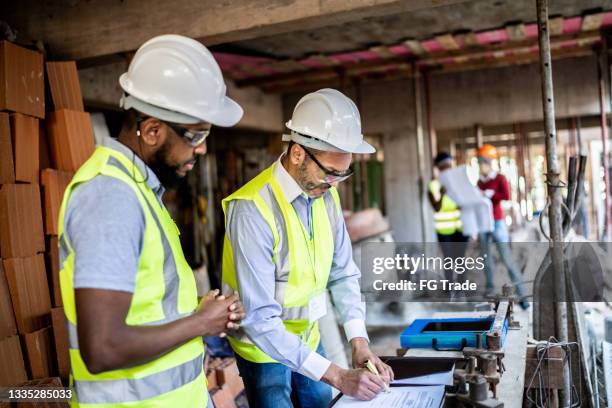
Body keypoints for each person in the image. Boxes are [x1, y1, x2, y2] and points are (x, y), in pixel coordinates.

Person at [58, 35, 246, 407]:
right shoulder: (111, 198)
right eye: (196, 135)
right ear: (152, 130)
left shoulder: (140, 192)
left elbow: (145, 308)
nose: (204, 148)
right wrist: (201, 323)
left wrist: (200, 310)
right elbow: (103, 348)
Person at [221, 88, 394, 407]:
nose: (334, 183)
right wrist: (338, 376)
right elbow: (260, 321)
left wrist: (359, 340)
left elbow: (343, 273)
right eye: (330, 172)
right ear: (298, 153)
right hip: (263, 349)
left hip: (307, 337)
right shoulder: (251, 210)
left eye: (343, 175)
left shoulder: (325, 195)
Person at [476, 144, 528, 308]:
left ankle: (523, 297)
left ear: (489, 163)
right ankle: (490, 294)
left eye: (482, 163)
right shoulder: (480, 182)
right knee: (486, 261)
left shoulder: (499, 179)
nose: (480, 166)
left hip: (497, 222)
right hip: (484, 224)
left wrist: (492, 195)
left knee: (507, 258)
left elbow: (506, 195)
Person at [428, 152, 469, 283]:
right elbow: (436, 208)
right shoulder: (433, 185)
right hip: (444, 230)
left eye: (449, 165)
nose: (448, 168)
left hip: (461, 228)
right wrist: (441, 195)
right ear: (439, 167)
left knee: (461, 259)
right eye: (445, 165)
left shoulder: (460, 182)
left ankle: (462, 286)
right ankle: (450, 286)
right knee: (448, 259)